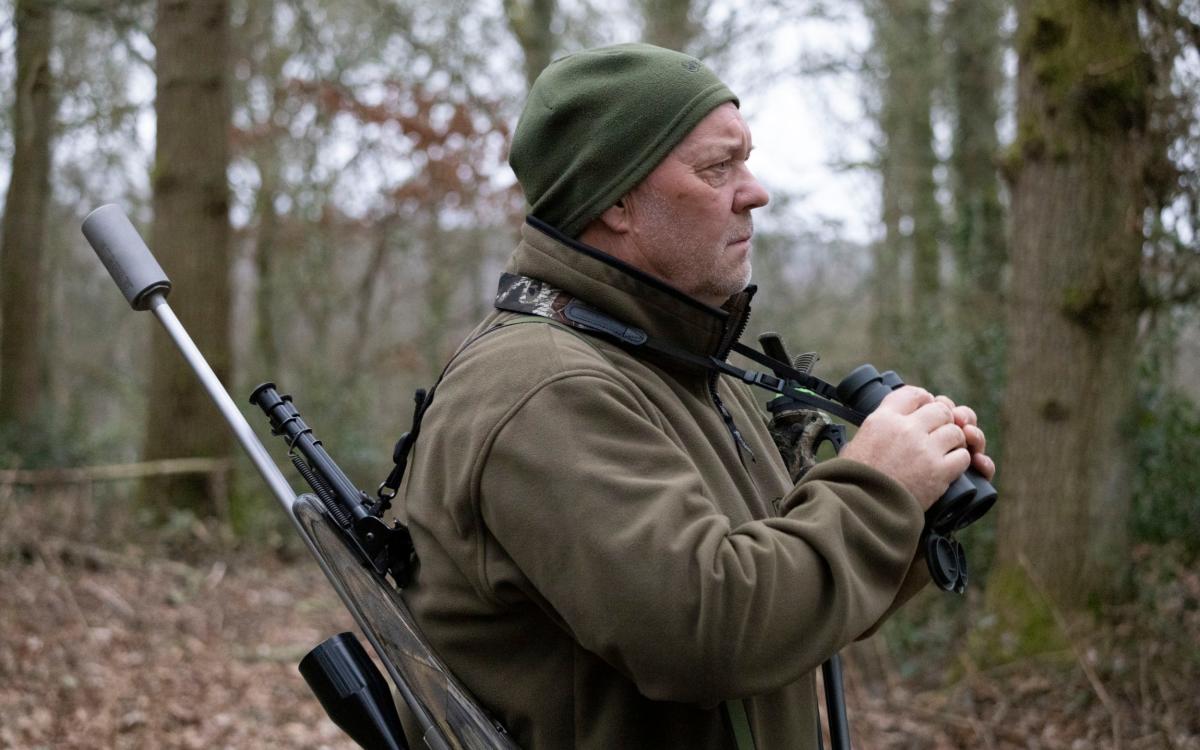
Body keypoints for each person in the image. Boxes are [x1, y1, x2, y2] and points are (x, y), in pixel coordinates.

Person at [400, 42, 995, 749]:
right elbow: (709, 631)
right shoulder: (548, 390)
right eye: (718, 167)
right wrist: (876, 488)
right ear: (615, 199)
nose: (755, 190)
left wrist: (915, 511)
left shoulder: (677, 363)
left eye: (744, 159)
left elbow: (781, 618)